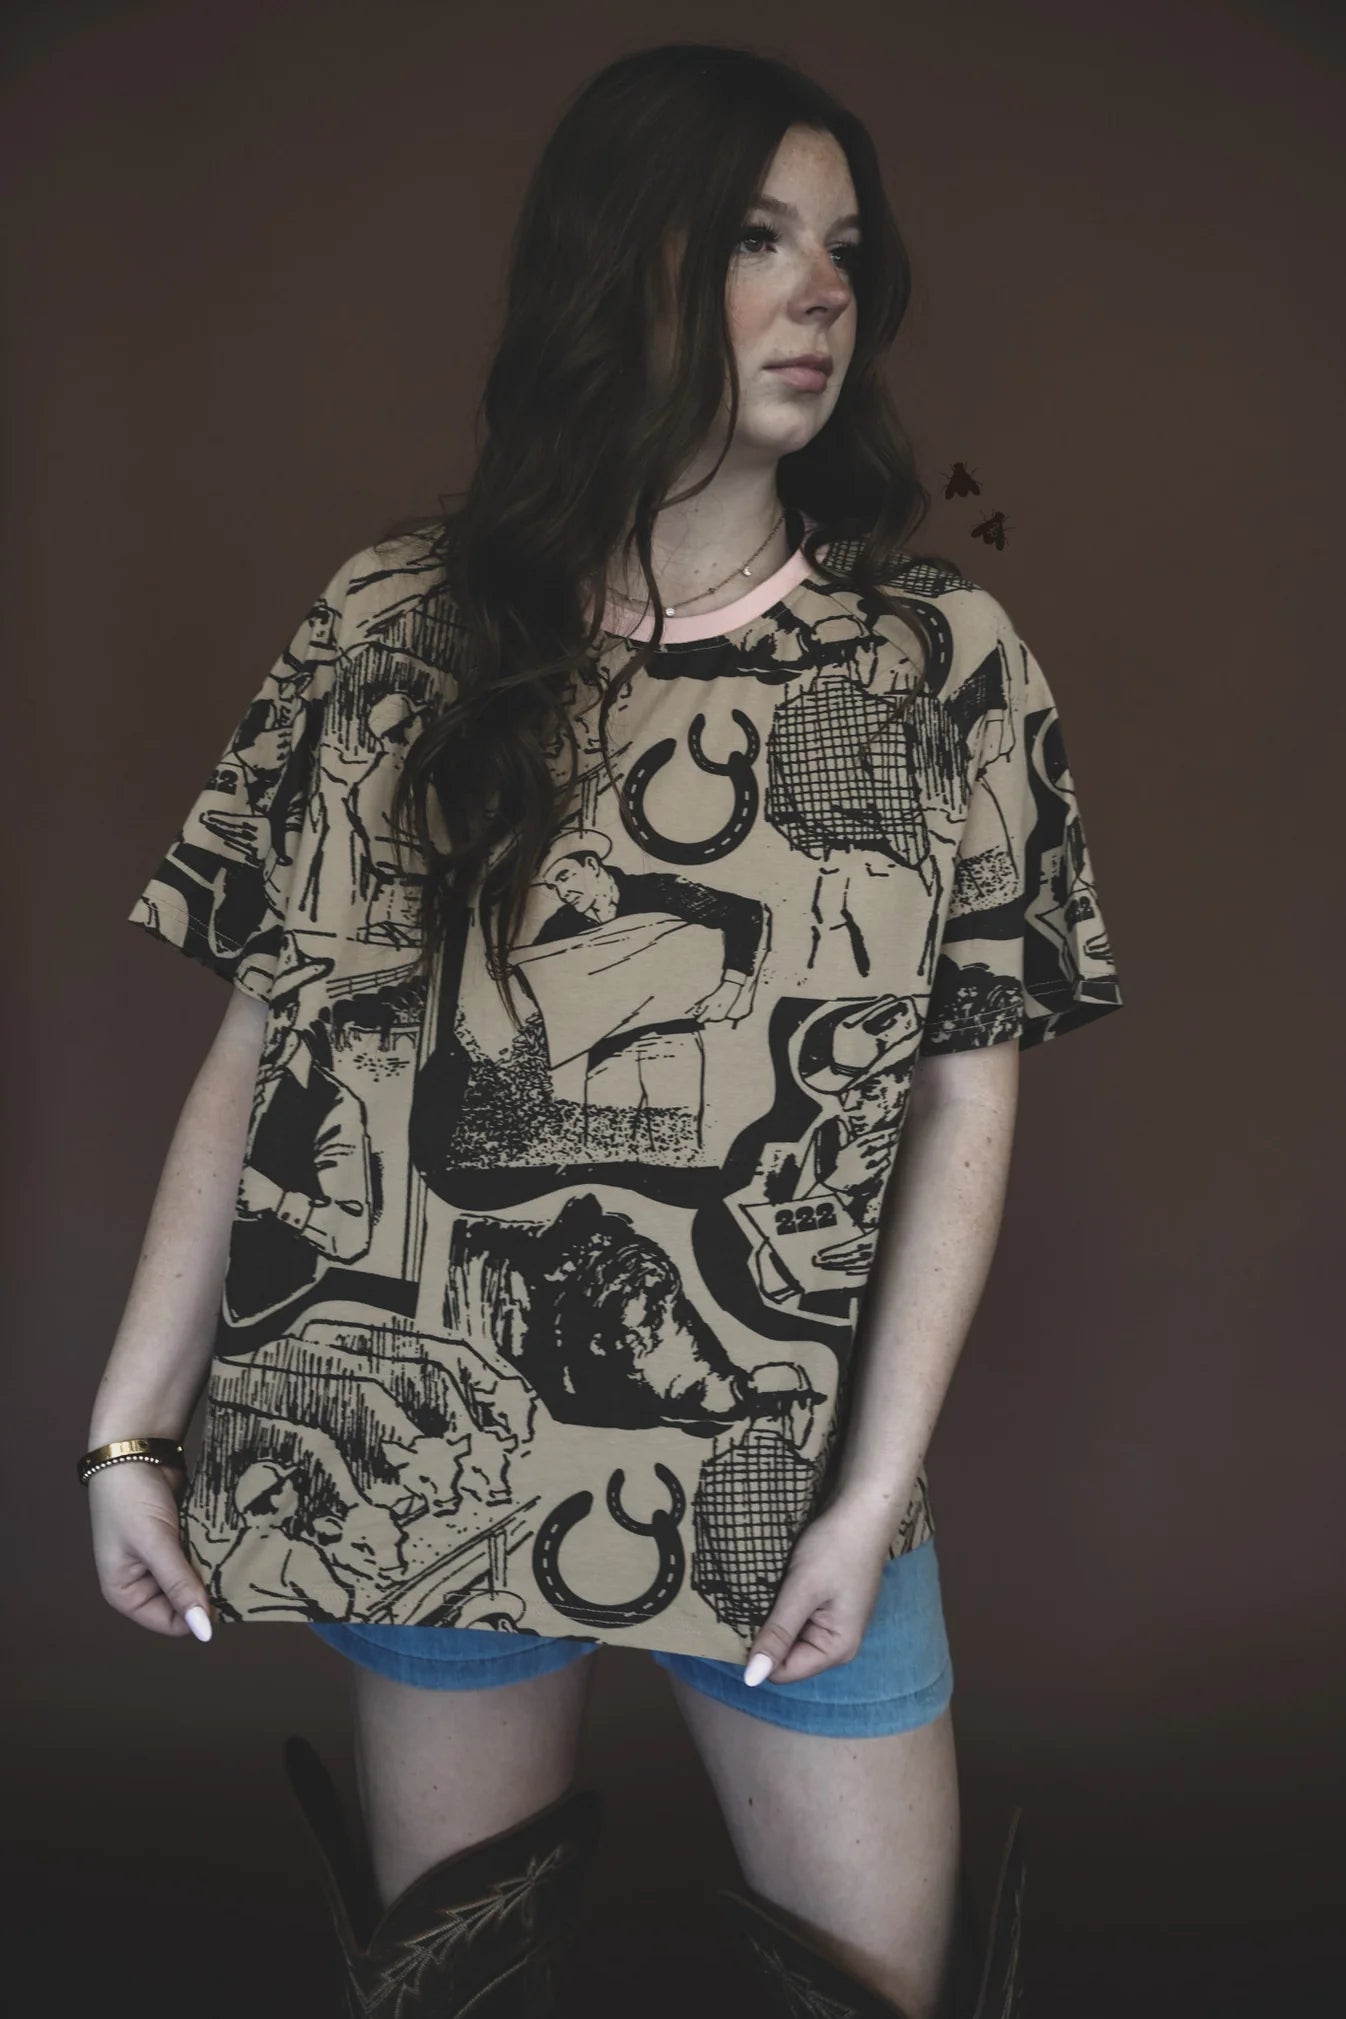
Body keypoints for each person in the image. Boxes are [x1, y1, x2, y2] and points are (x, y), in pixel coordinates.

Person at [82, 41, 1124, 2019]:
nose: (819, 292)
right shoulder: (388, 626)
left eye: (842, 249)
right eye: (755, 239)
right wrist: (131, 1427)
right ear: (617, 265)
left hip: (776, 1469)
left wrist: (867, 1489)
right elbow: (259, 1056)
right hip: (430, 1456)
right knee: (453, 1987)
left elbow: (960, 1104)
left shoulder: (936, 664)